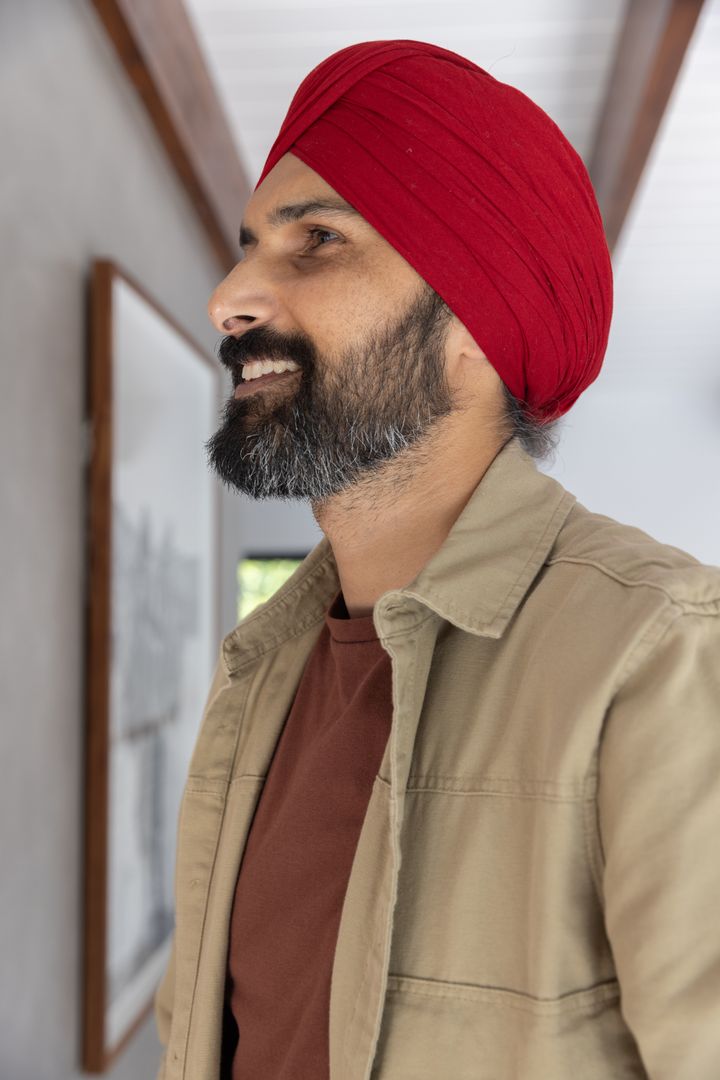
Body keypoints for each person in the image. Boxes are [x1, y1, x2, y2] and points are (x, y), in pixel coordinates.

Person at [154, 40, 720, 1080]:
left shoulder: (663, 656)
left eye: (314, 240)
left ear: (474, 323)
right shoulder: (260, 669)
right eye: (245, 246)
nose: (228, 296)